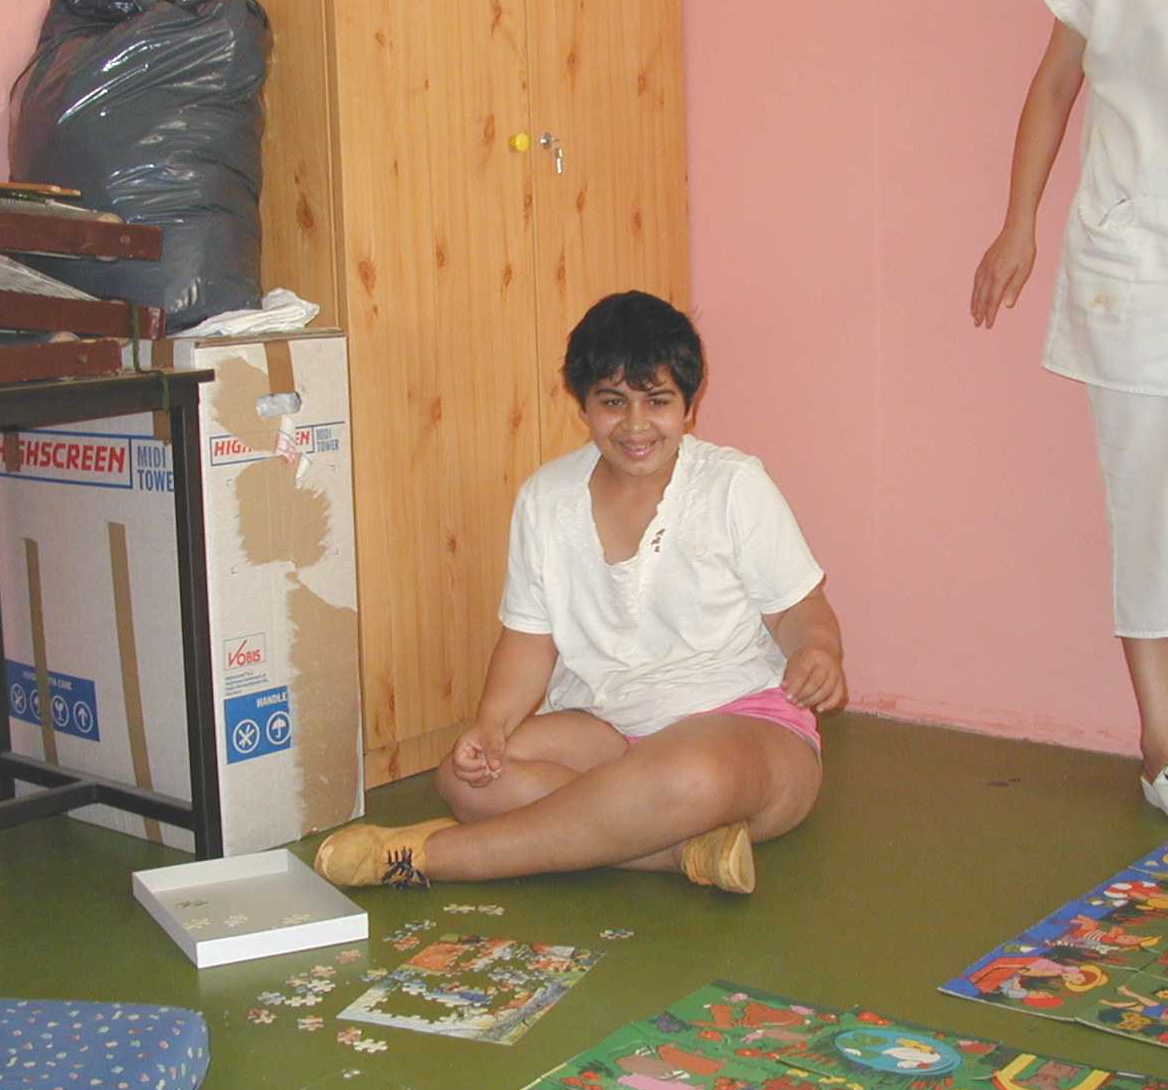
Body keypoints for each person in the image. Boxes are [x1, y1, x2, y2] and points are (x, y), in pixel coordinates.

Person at [313, 290, 846, 891]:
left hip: (745, 732)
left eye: (658, 402)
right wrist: (490, 725)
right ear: (583, 405)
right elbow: (528, 640)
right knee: (467, 779)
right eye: (613, 403)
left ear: (689, 408)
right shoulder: (546, 498)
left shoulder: (734, 485)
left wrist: (816, 651)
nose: (637, 425)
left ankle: (437, 857)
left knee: (690, 776)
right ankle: (681, 850)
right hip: (607, 733)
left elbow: (801, 608)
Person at [970, 0, 1168, 830]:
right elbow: (1053, 84)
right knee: (1153, 508)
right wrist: (1019, 224)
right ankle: (1161, 744)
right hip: (1144, 265)